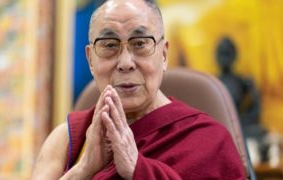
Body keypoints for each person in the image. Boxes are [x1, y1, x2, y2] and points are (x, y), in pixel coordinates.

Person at [32, 0, 246, 179]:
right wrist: (82, 171)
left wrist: (138, 168)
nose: (125, 62)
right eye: (109, 45)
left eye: (140, 43)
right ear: (90, 59)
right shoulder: (67, 139)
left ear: (163, 55)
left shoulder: (210, 141)